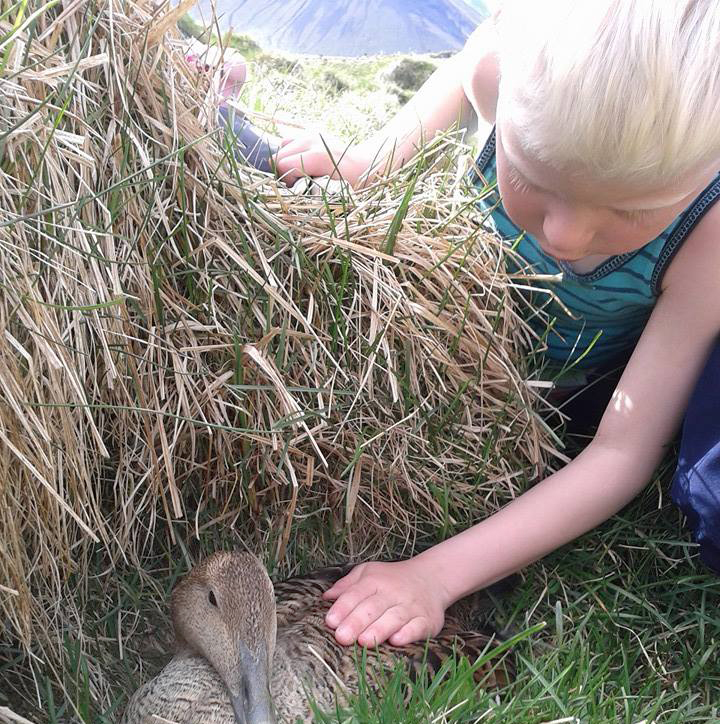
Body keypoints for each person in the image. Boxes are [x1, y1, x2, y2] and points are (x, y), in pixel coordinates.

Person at [212, 0, 720, 647]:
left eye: (627, 211)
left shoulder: (708, 233)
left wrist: (435, 575)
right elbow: (465, 66)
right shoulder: (495, 65)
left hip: (562, 397)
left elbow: (620, 451)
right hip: (445, 328)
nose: (568, 233)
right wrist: (367, 159)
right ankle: (209, 90)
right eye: (535, 177)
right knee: (233, 159)